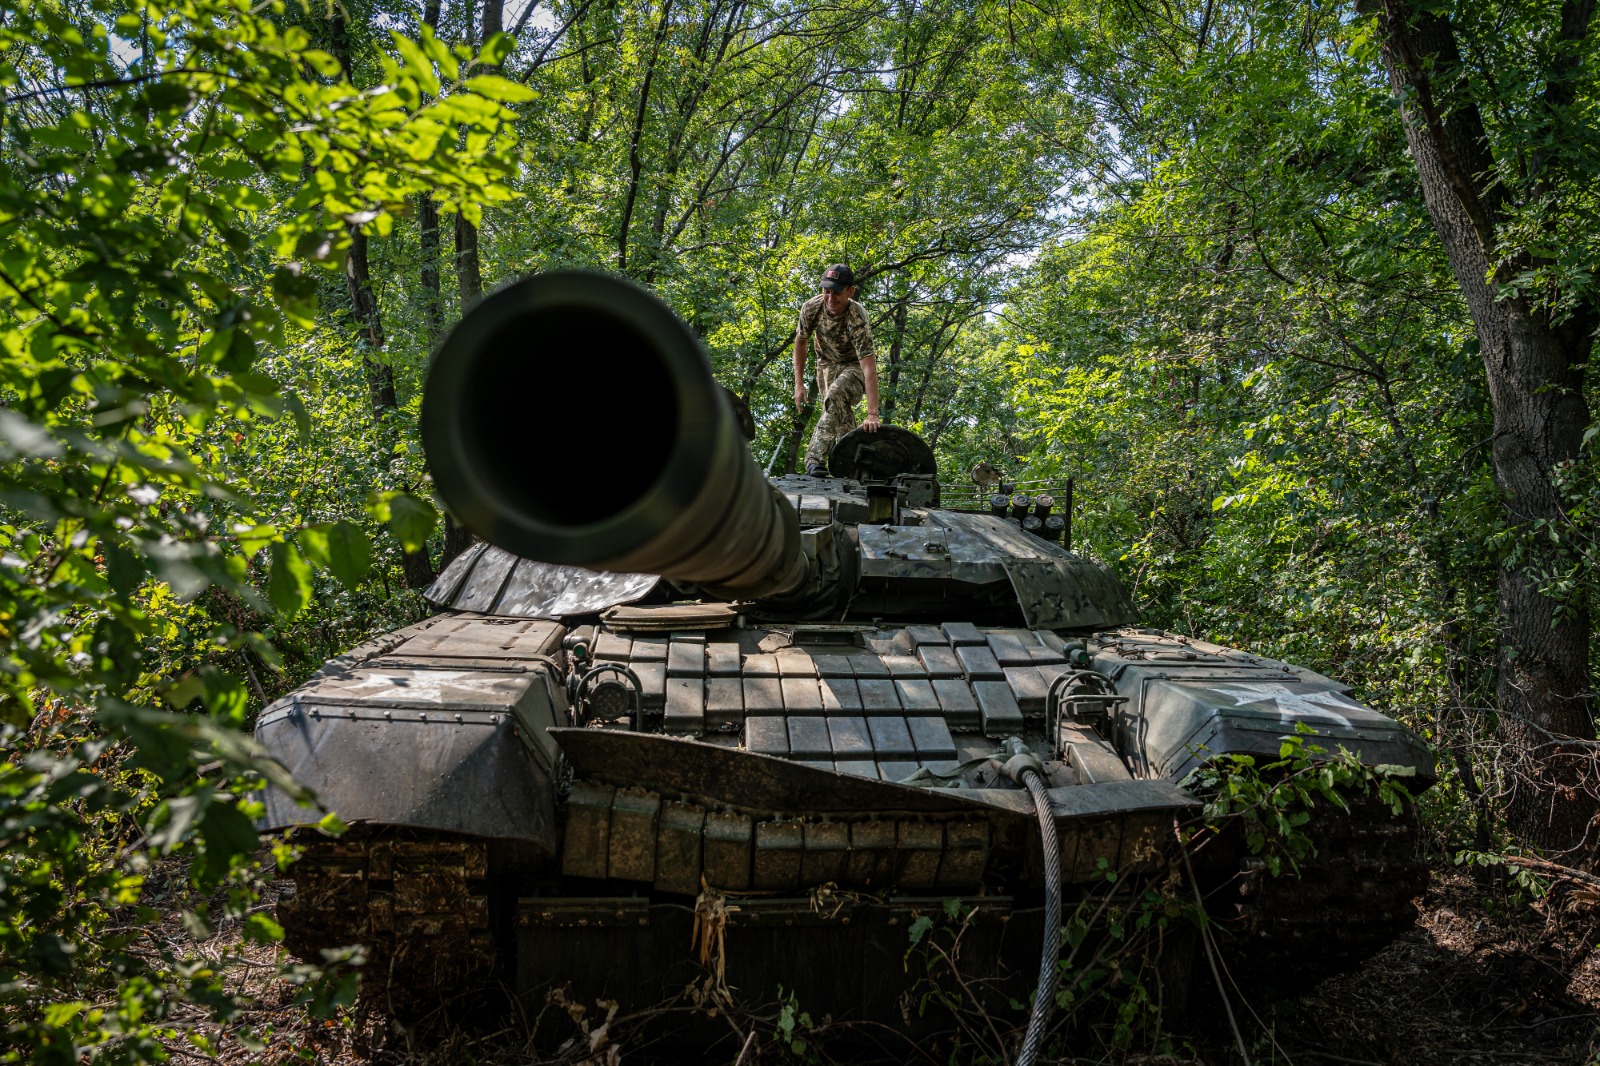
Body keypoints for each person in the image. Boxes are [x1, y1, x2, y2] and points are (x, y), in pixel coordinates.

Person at [793, 263, 880, 477]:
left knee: (835, 395)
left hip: (854, 365)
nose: (830, 298)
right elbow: (801, 342)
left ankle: (814, 458)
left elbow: (868, 367)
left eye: (837, 293)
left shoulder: (857, 318)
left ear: (850, 291)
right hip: (826, 363)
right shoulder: (811, 307)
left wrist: (872, 414)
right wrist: (799, 383)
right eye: (826, 291)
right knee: (837, 414)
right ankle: (849, 465)